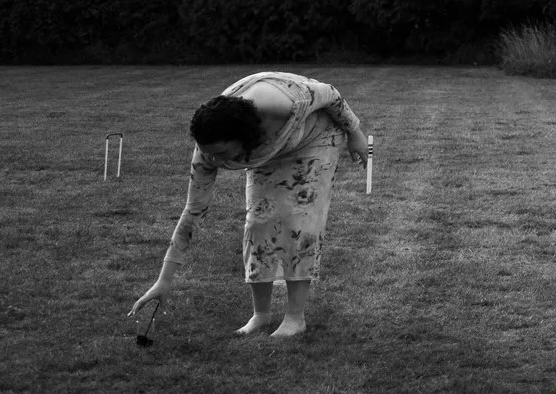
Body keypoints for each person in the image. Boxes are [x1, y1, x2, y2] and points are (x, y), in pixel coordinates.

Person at [127, 72, 375, 339]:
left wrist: (355, 132)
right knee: (258, 222)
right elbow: (194, 210)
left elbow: (330, 93)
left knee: (299, 222)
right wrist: (164, 280)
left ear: (242, 138)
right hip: (267, 146)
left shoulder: (280, 105)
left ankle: (295, 318)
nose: (213, 159)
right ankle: (261, 315)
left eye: (221, 153)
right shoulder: (209, 148)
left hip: (316, 135)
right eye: (208, 151)